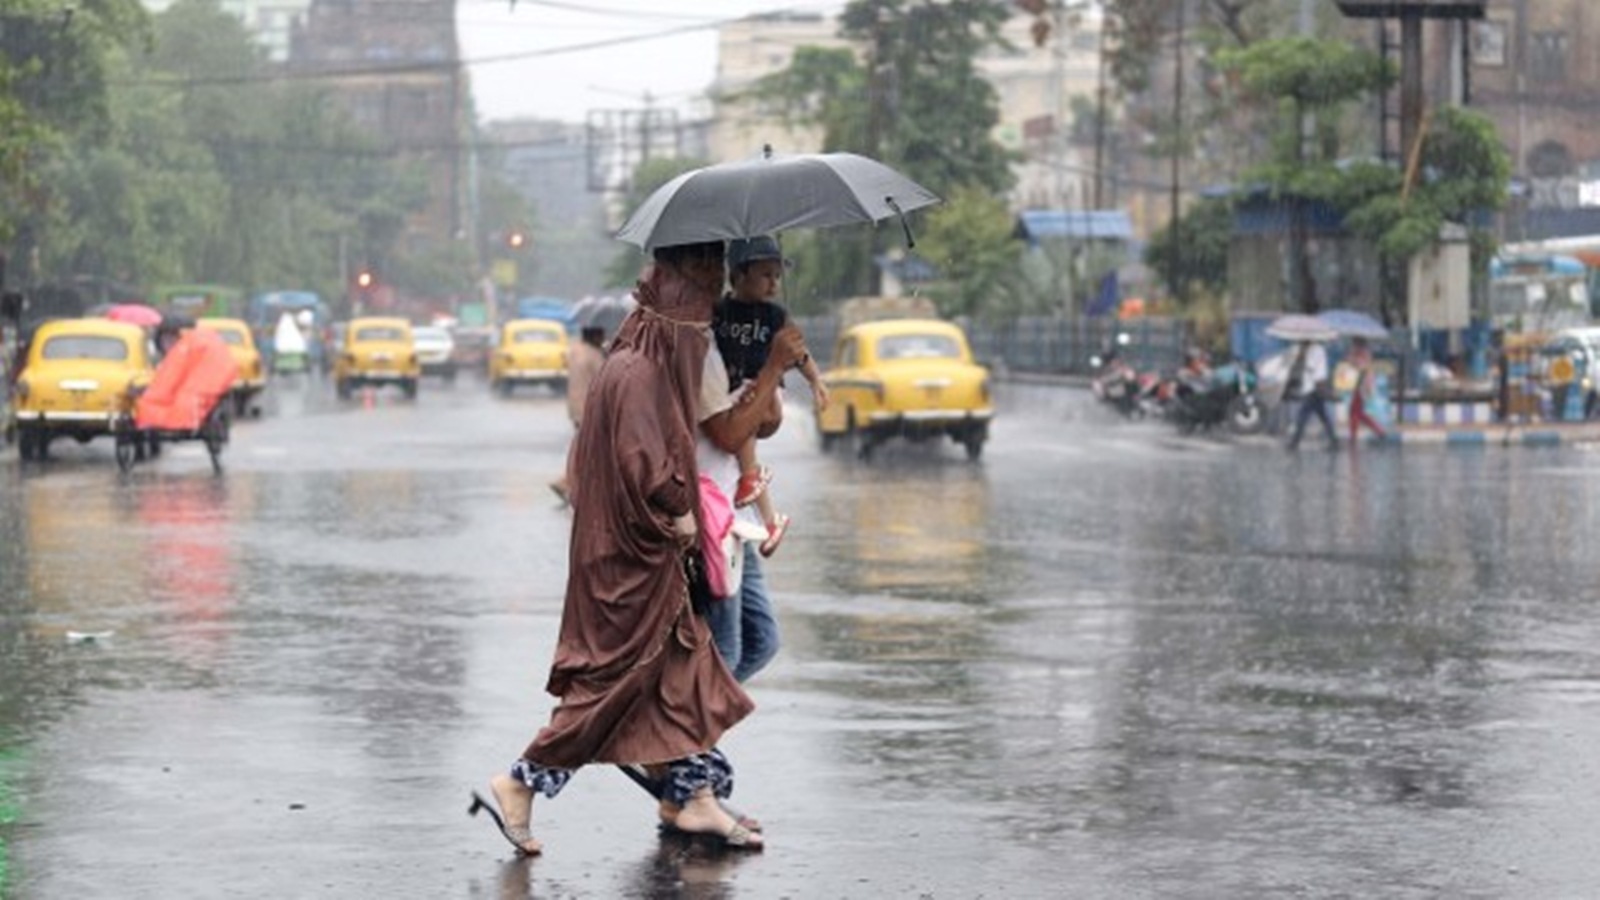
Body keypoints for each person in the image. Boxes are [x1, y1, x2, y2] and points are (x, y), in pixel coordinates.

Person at [471, 240, 764, 855]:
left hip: (645, 560)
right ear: (671, 312)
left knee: (679, 677)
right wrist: (683, 513)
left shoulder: (638, 363)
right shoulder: (637, 373)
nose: (701, 331)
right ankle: (520, 782)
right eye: (696, 316)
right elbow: (646, 463)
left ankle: (697, 798)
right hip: (629, 564)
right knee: (612, 690)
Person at [712, 235, 829, 557]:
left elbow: (799, 353)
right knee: (739, 440)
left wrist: (815, 381)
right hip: (733, 391)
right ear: (737, 275)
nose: (773, 284)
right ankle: (769, 519)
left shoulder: (775, 316)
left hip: (762, 391)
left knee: (745, 407)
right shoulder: (720, 310)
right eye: (765, 275)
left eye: (777, 276)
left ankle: (751, 478)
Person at [548, 325, 607, 505]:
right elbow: (605, 378)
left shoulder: (574, 350)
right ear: (595, 337)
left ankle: (576, 484)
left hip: (575, 409)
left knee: (585, 447)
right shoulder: (594, 355)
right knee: (588, 449)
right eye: (600, 337)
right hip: (590, 409)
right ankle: (566, 482)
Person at [1285, 339, 1338, 451]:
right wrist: (1301, 354)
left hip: (1315, 388)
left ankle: (1294, 443)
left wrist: (1304, 356)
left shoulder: (1318, 350)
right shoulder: (1308, 350)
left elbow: (1314, 368)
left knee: (1302, 417)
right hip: (1310, 388)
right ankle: (1334, 442)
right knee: (1323, 417)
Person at [1344, 337, 1387, 445]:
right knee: (1356, 412)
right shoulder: (1362, 352)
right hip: (1359, 384)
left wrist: (1351, 357)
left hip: (1361, 385)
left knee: (1356, 412)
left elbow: (1358, 366)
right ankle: (1376, 431)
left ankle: (1377, 431)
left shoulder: (1361, 353)